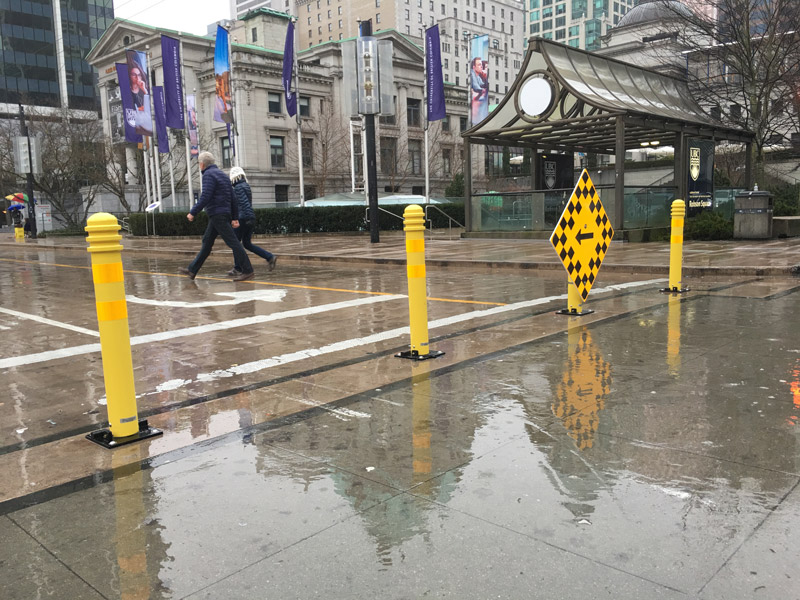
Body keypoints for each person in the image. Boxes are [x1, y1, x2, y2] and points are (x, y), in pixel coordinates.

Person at [178, 151, 255, 281]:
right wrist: (234, 217)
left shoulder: (208, 175)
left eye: (199, 164)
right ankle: (192, 270)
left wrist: (193, 212)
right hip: (221, 214)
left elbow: (206, 196)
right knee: (207, 242)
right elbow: (233, 198)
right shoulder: (223, 175)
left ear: (202, 164)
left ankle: (248, 270)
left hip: (217, 214)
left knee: (234, 243)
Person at [227, 167, 277, 276]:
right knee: (247, 243)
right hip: (249, 217)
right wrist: (250, 218)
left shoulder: (238, 188)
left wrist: (245, 217)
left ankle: (238, 268)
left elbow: (244, 203)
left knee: (235, 243)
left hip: (242, 218)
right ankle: (269, 257)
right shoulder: (246, 186)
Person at [470, 57, 489, 123]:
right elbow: (477, 88)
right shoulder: (472, 74)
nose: (481, 66)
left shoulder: (477, 76)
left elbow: (483, 85)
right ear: (474, 67)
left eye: (481, 65)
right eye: (479, 65)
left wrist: (485, 77)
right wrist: (482, 90)